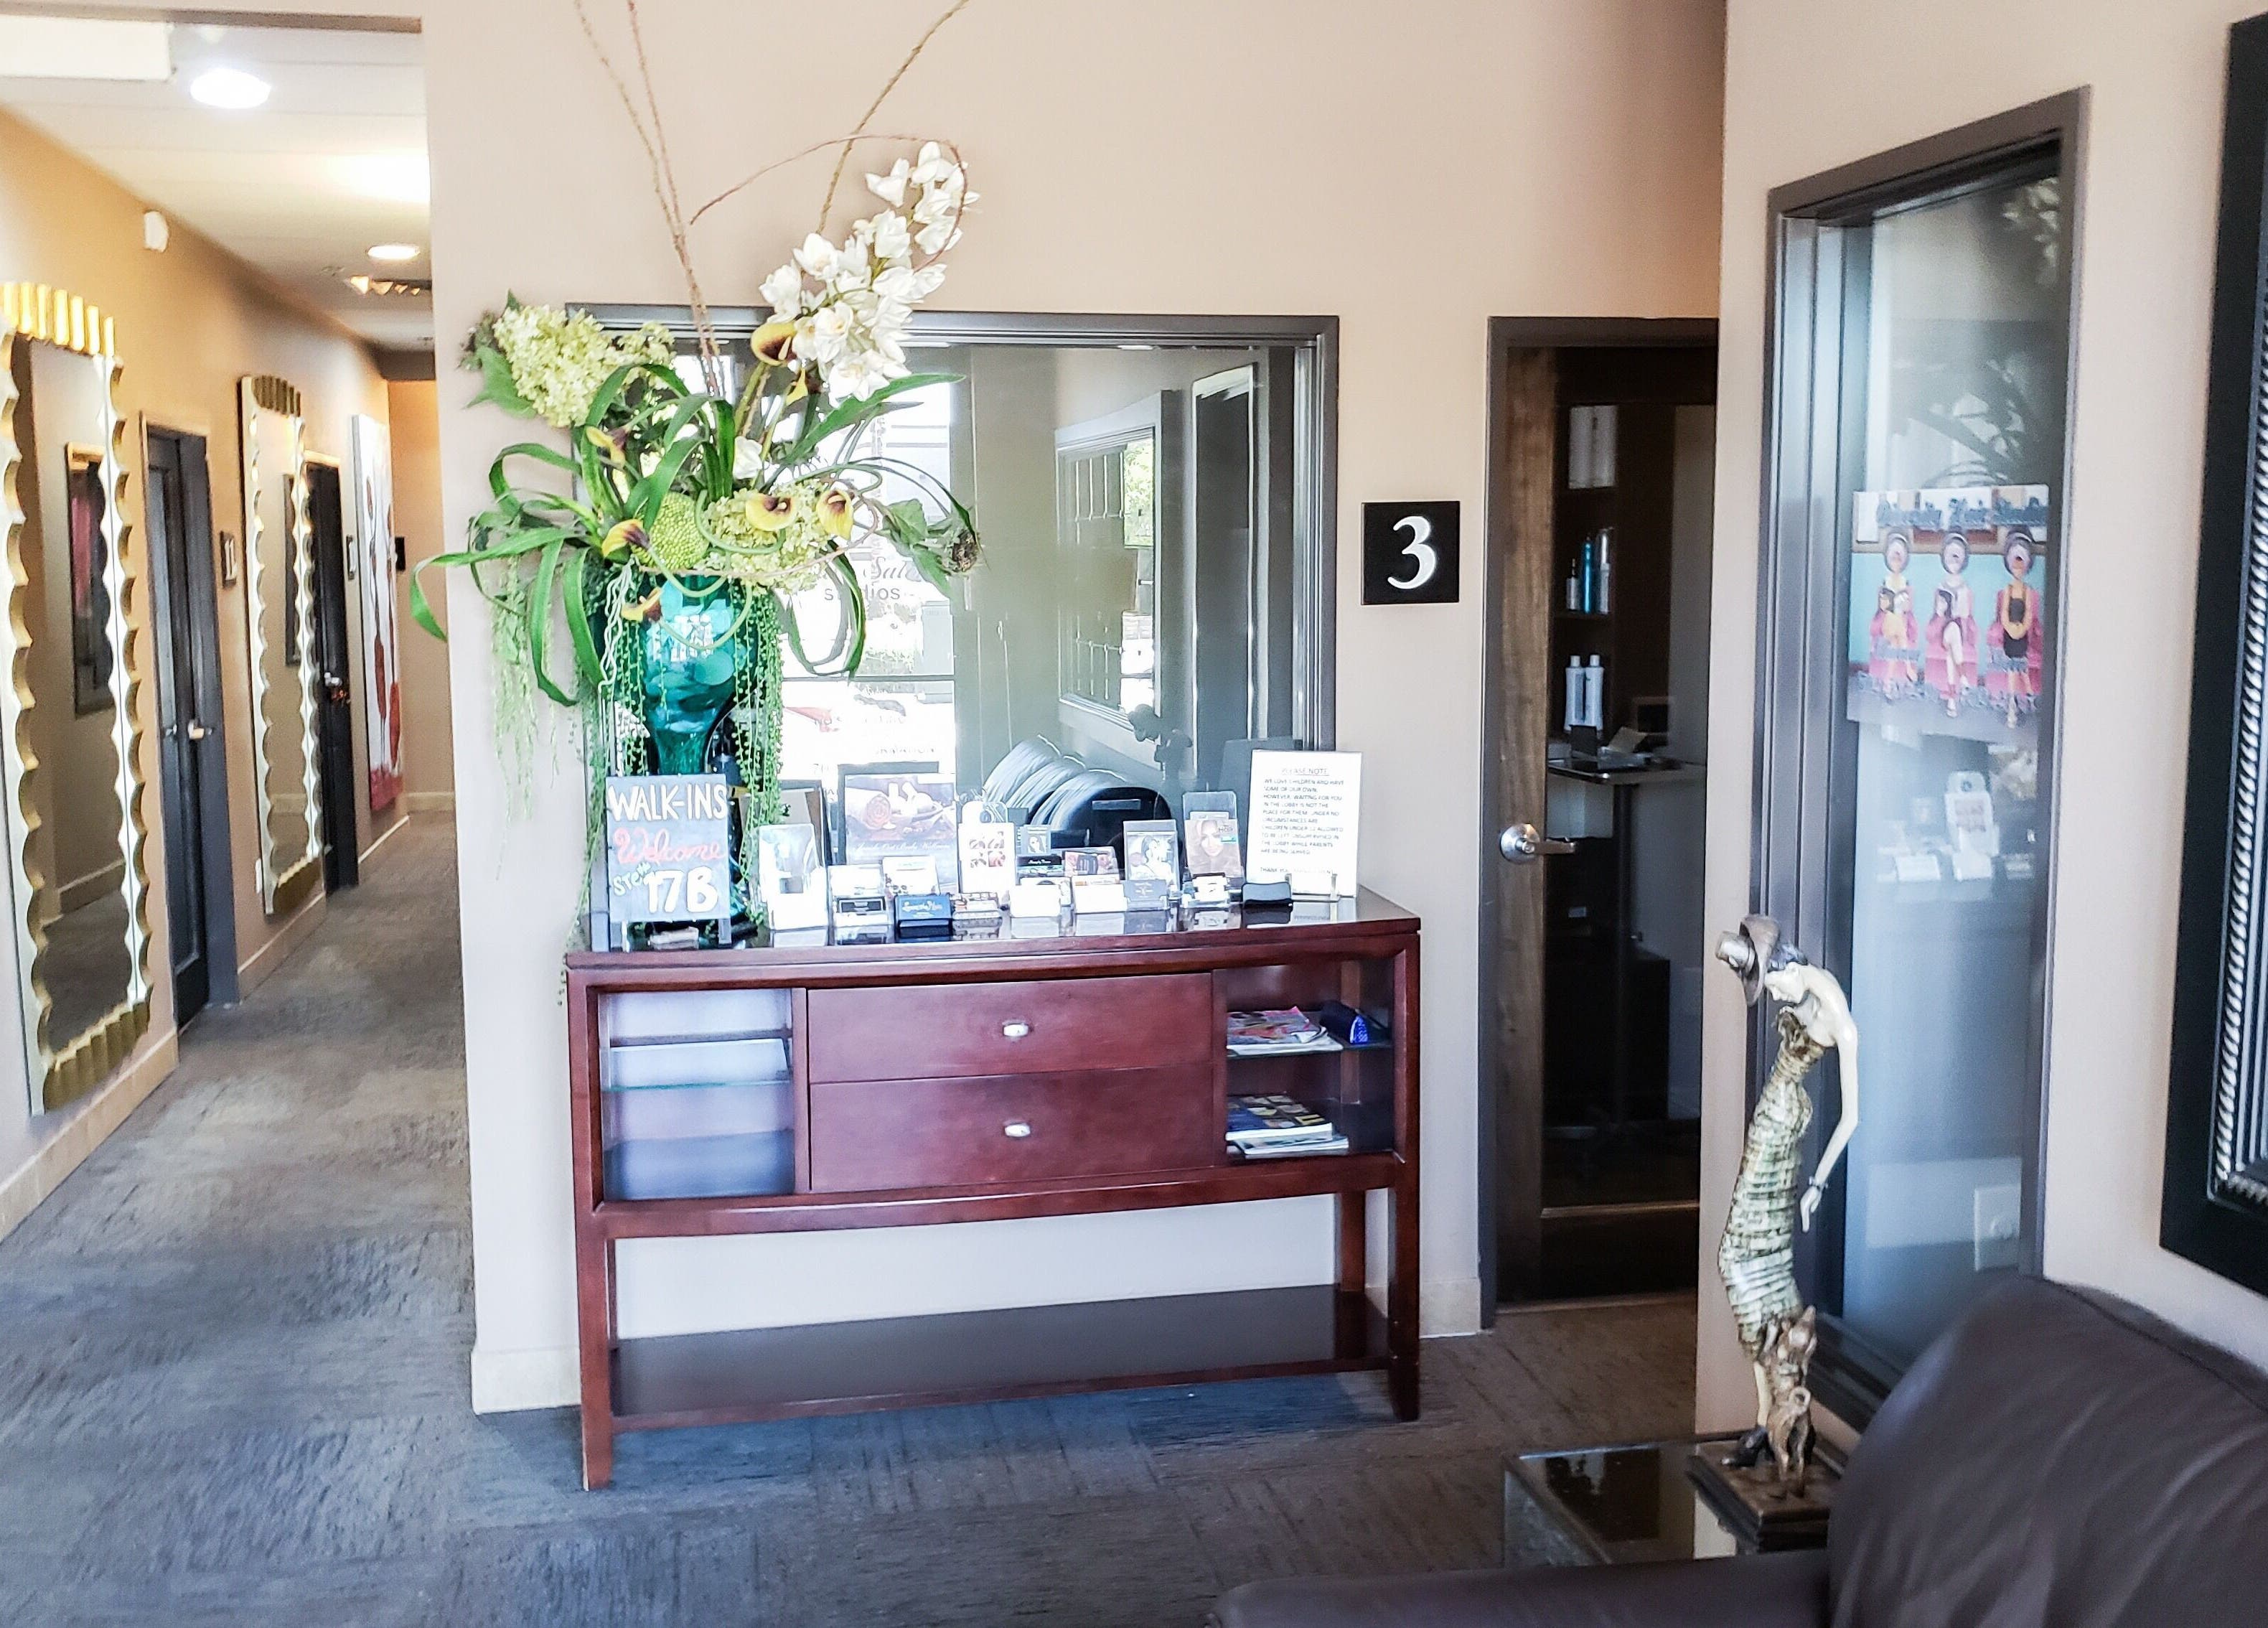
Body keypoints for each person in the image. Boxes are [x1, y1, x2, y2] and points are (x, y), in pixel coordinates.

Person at [1924, 533, 1979, 719]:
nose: (1954, 561)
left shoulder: (1966, 588)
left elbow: (1967, 616)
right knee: (1952, 633)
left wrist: (1962, 610)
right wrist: (1940, 611)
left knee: (1951, 651)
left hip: (1958, 628)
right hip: (1942, 629)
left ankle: (1952, 698)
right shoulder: (1941, 586)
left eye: (1958, 557)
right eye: (1951, 556)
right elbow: (1936, 615)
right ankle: (1962, 678)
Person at [1995, 533, 2043, 727]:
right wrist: (2011, 629)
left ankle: (2028, 697)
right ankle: (2012, 705)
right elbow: (2004, 612)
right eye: (2014, 565)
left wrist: (2021, 630)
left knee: (2021, 668)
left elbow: (2030, 613)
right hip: (2010, 636)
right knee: (2013, 670)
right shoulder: (2007, 590)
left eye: (2021, 564)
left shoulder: (2028, 591)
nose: (2017, 569)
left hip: (2022, 636)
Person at [1868, 533, 1920, 696]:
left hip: (1901, 620)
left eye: (1899, 558)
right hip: (1888, 621)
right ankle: (1908, 668)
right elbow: (1882, 607)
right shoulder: (1886, 581)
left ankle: (1888, 682)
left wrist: (1903, 603)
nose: (1896, 562)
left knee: (1897, 640)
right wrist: (1888, 602)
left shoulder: (1906, 581)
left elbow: (1908, 606)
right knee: (1897, 633)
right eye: (1893, 558)